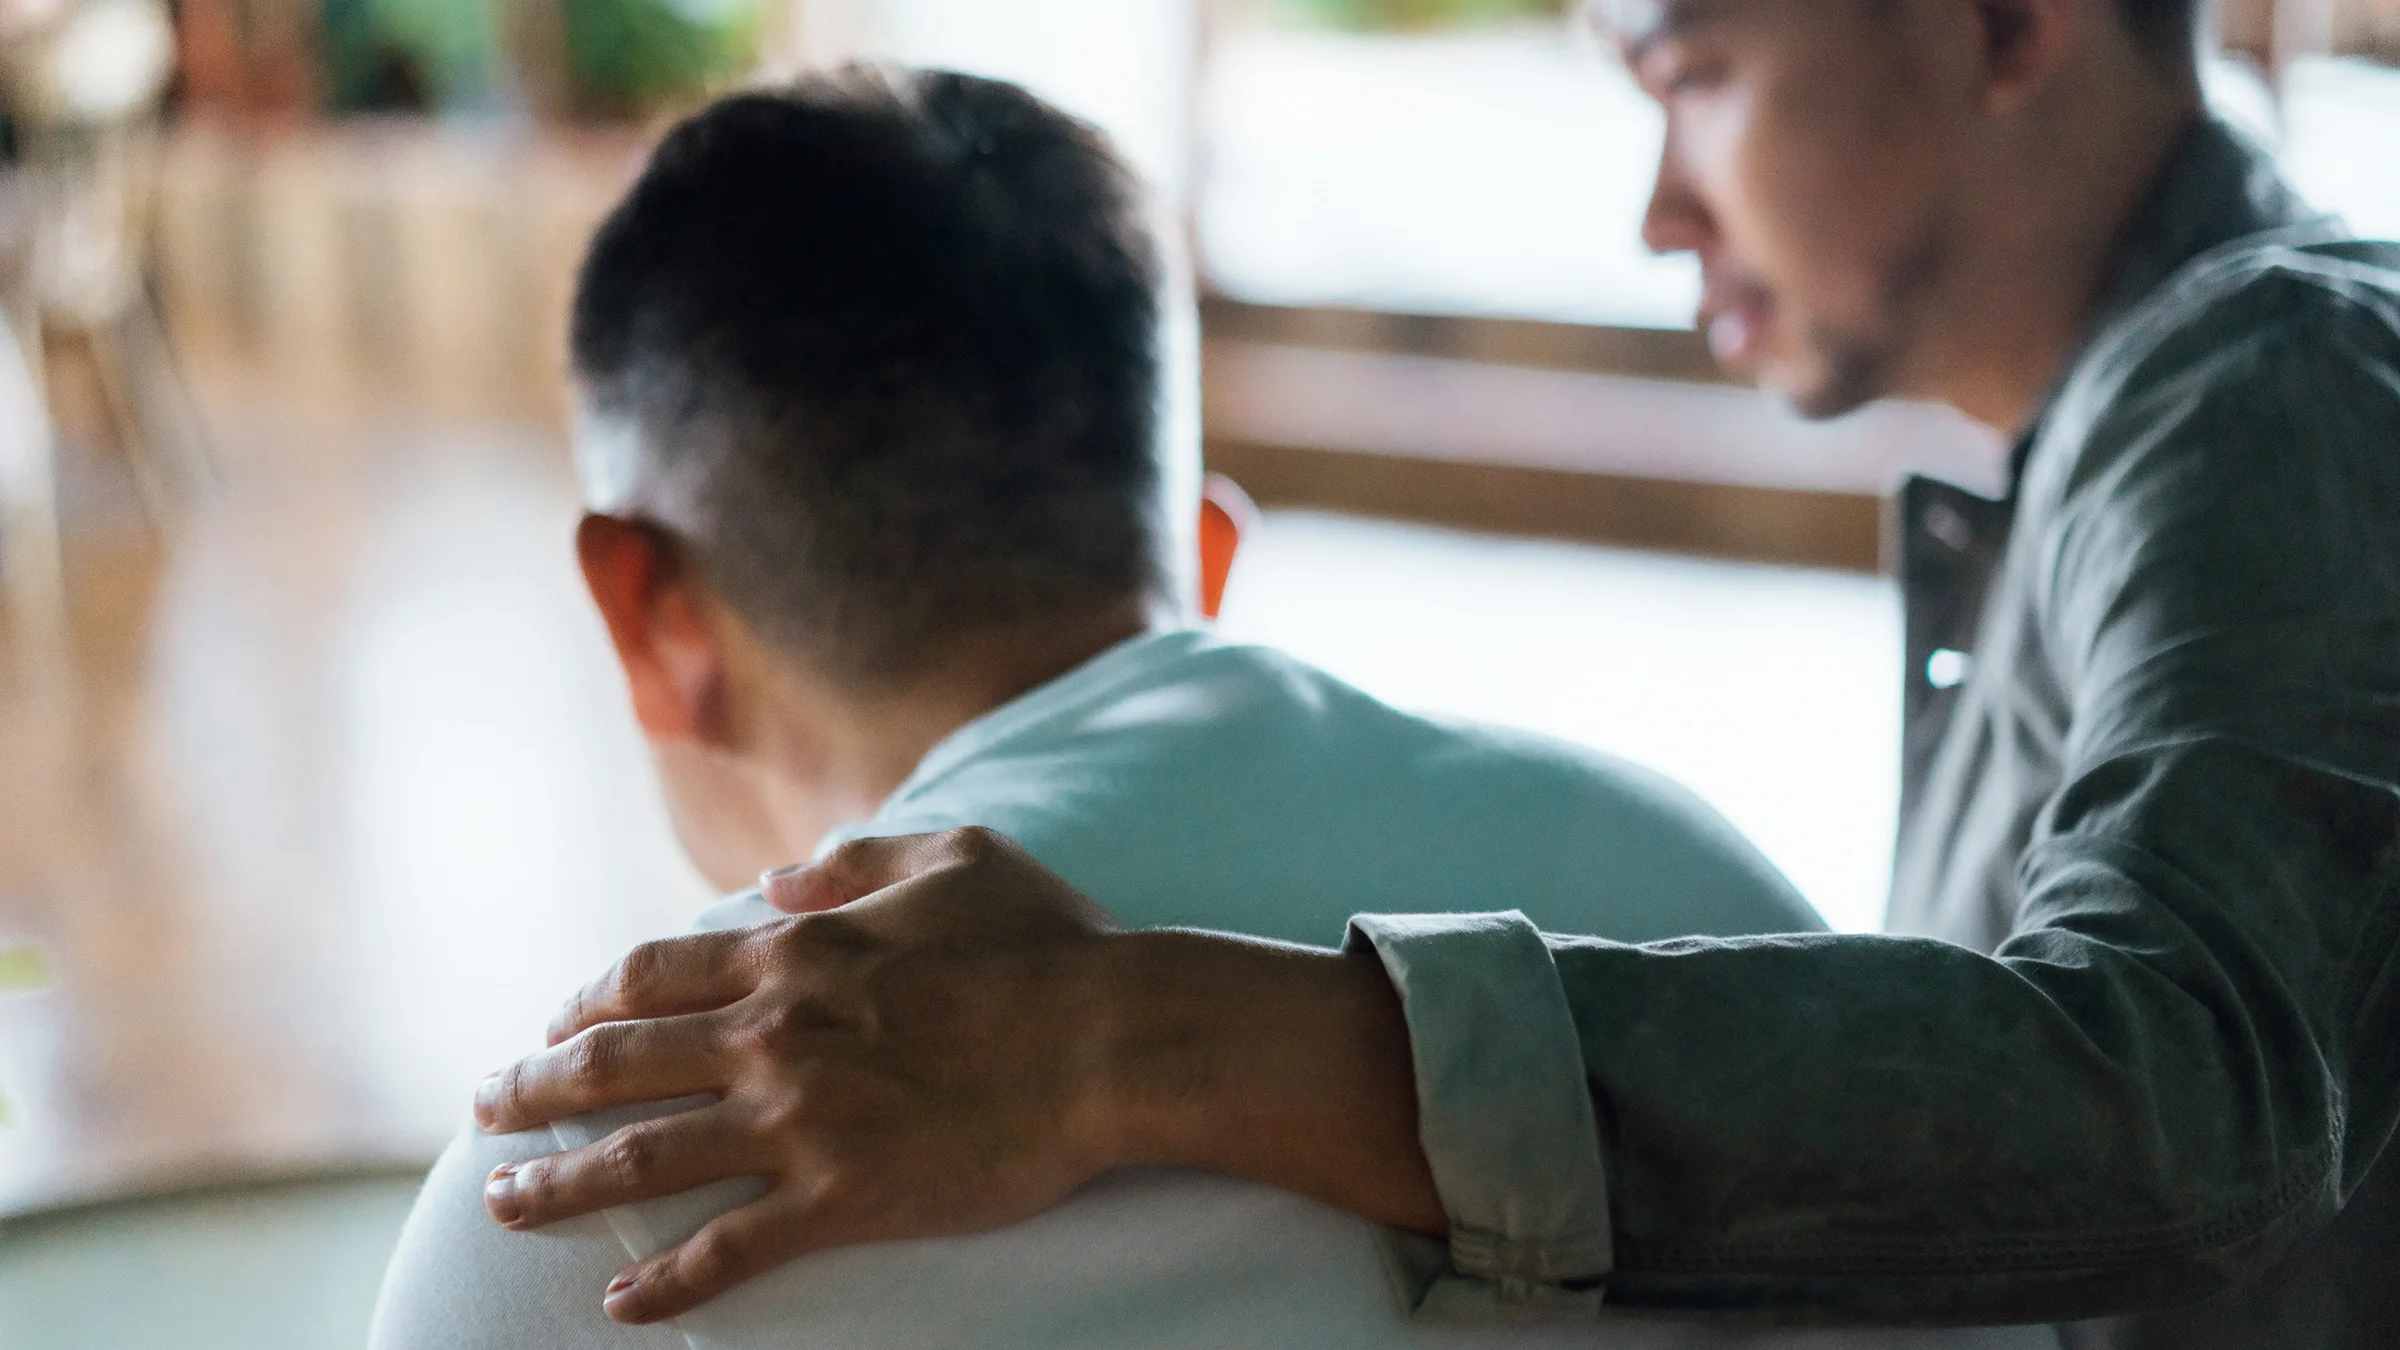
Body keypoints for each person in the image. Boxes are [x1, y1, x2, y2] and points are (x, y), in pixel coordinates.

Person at [469, 1, 2400, 1345]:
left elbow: (2189, 1093)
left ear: (2000, 20)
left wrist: (1115, 1039)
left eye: (1698, 71)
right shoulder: (2130, 452)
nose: (1659, 204)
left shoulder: (2273, 376)